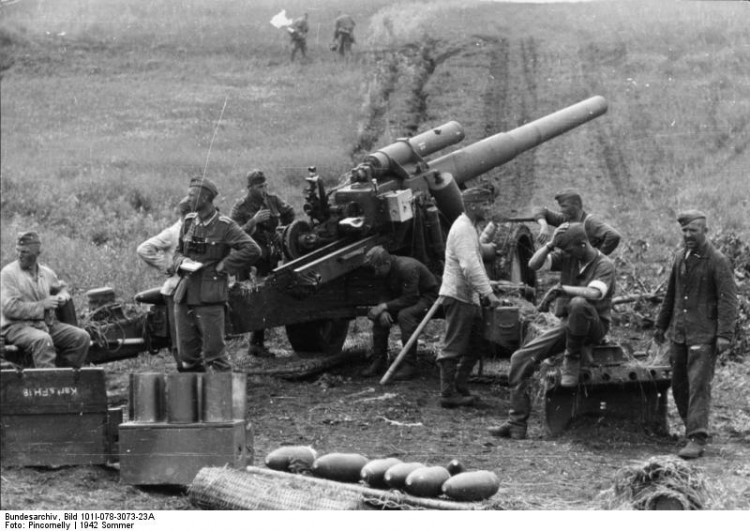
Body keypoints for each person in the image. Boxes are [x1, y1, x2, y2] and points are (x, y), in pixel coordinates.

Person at [487, 222, 616, 439]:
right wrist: (549, 245)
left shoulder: (604, 265)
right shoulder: (570, 256)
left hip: (594, 326)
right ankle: (516, 423)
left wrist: (561, 289)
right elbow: (534, 264)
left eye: (567, 250)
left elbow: (594, 295)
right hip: (568, 325)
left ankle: (571, 358)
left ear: (583, 245)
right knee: (520, 358)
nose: (565, 254)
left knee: (578, 303)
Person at [654, 210, 738, 459]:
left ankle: (697, 438)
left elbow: (729, 300)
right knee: (679, 385)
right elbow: (671, 294)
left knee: (698, 386)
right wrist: (661, 325)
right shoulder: (681, 257)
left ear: (705, 231)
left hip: (704, 334)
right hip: (679, 333)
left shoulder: (717, 260)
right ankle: (690, 427)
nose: (688, 235)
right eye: (685, 231)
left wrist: (724, 334)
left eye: (693, 231)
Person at [173, 177, 261, 372]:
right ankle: (194, 400)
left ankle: (223, 400)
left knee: (215, 356)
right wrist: (181, 262)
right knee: (187, 357)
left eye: (192, 195)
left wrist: (225, 266)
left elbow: (252, 249)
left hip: (209, 297)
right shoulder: (189, 222)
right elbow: (178, 251)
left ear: (205, 198)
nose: (188, 199)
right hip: (185, 295)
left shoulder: (224, 226)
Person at [437, 187, 502, 408]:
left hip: (468, 296)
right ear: (472, 205)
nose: (488, 208)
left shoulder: (470, 228)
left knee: (475, 345)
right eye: (485, 204)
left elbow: (476, 259)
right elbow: (470, 266)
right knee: (454, 345)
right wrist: (489, 293)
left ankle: (459, 385)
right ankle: (447, 394)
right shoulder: (463, 229)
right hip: (458, 296)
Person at [230, 169, 295, 358]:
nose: (264, 189)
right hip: (249, 261)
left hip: (269, 257)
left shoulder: (272, 200)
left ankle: (257, 342)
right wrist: (254, 221)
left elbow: (289, 212)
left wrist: (283, 229)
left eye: (265, 185)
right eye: (259, 186)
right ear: (249, 188)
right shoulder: (240, 207)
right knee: (248, 297)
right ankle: (247, 338)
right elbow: (234, 236)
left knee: (267, 297)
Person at [1, 231, 90, 368]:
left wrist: (61, 297)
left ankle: (63, 378)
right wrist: (42, 305)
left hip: (45, 325)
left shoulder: (46, 273)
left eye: (25, 252)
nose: (19, 255)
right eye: (18, 250)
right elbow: (10, 308)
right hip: (16, 327)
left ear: (37, 253)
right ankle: (46, 385)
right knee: (43, 340)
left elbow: (61, 288)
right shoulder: (8, 273)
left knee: (81, 338)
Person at [361, 246, 439, 380]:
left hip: (426, 297)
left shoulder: (407, 267)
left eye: (377, 269)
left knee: (405, 315)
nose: (375, 273)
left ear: (386, 263)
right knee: (379, 317)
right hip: (405, 297)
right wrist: (383, 309)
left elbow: (411, 298)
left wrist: (385, 306)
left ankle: (410, 365)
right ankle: (379, 361)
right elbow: (384, 292)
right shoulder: (384, 271)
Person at [137, 196, 192, 369]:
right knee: (179, 334)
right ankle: (183, 368)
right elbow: (144, 249)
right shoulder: (173, 232)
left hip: (195, 286)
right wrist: (168, 266)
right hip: (176, 287)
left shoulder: (196, 230)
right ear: (187, 214)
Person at [533, 190, 621, 255]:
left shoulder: (590, 221)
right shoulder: (565, 218)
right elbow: (539, 210)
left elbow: (613, 236)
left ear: (576, 205)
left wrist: (599, 257)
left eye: (564, 206)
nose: (561, 210)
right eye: (560, 206)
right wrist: (544, 225)